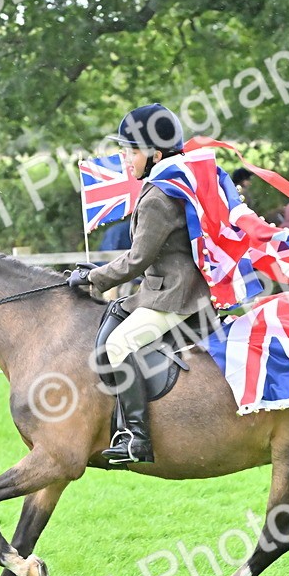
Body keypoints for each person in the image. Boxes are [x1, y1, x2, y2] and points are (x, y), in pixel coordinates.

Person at [67, 103, 213, 465]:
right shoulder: (168, 183)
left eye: (131, 150)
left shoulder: (158, 196)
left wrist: (92, 278)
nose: (124, 157)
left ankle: (137, 437)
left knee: (118, 345)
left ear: (154, 154)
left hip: (177, 296)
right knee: (112, 324)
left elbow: (138, 259)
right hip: (162, 289)